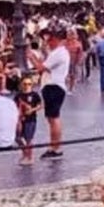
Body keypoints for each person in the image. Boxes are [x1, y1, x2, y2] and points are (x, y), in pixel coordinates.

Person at [37, 27, 71, 159]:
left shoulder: (58, 53)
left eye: (50, 40)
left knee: (53, 118)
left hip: (53, 87)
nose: (48, 43)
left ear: (56, 40)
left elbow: (41, 68)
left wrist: (31, 56)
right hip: (54, 86)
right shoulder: (59, 53)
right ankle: (54, 146)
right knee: (52, 118)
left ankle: (55, 148)